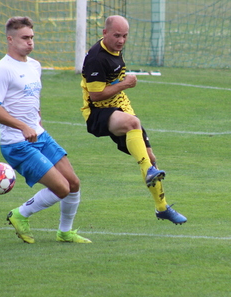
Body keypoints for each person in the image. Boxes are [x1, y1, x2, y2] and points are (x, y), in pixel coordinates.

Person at [0, 16, 91, 244]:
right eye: (25, 38)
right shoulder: (2, 70)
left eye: (32, 37)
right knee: (61, 188)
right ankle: (20, 215)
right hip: (17, 144)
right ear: (10, 39)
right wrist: (22, 126)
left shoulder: (34, 65)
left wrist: (36, 119)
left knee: (73, 183)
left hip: (39, 136)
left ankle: (65, 232)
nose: (30, 42)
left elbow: (31, 98)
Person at [80, 15, 187, 225]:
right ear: (104, 33)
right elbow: (96, 95)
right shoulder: (96, 58)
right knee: (132, 124)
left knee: (149, 156)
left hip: (119, 107)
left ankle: (162, 208)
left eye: (125, 36)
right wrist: (125, 84)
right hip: (97, 113)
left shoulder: (115, 51)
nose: (121, 40)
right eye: (117, 35)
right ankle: (148, 172)